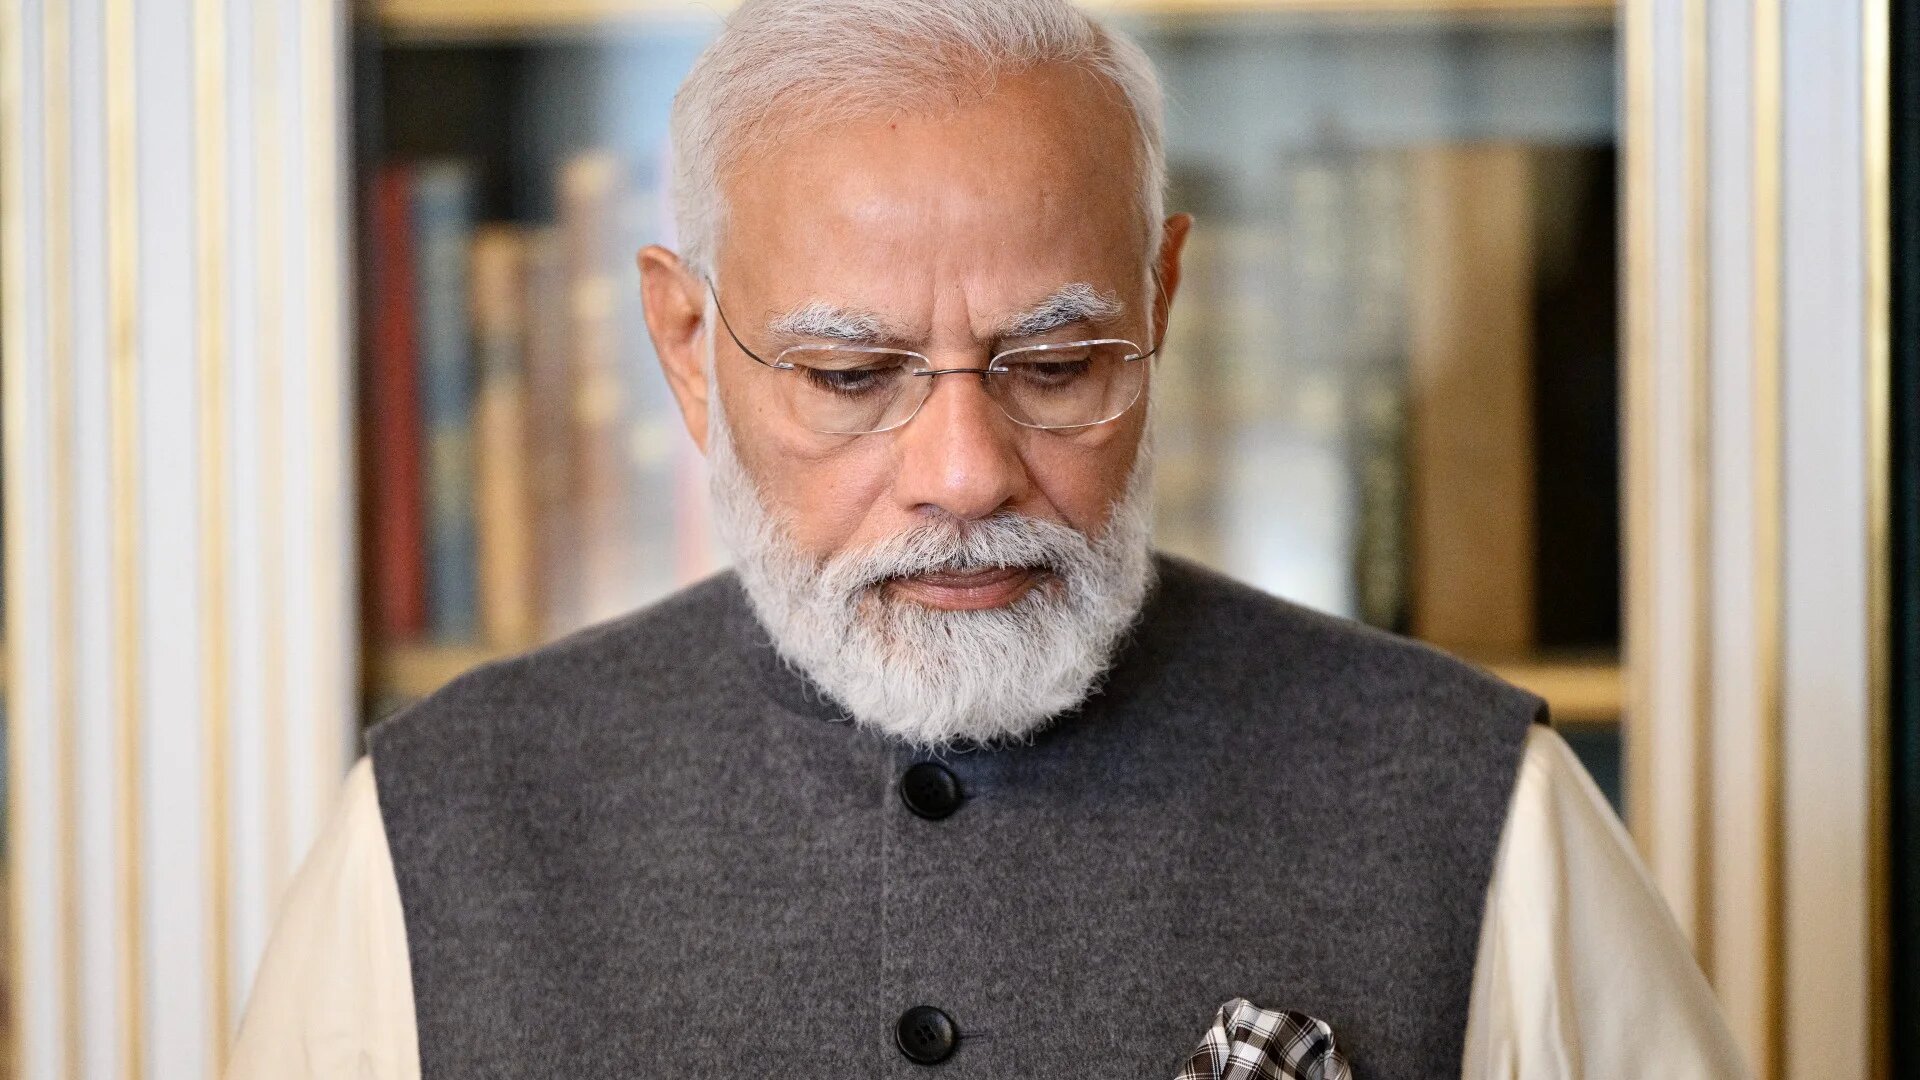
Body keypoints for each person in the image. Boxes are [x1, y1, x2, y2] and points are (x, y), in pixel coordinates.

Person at [228, 1, 1748, 1076]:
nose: (963, 473)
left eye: (1057, 365)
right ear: (688, 347)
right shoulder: (430, 839)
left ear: (1160, 302)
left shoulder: (1485, 812)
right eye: (848, 375)